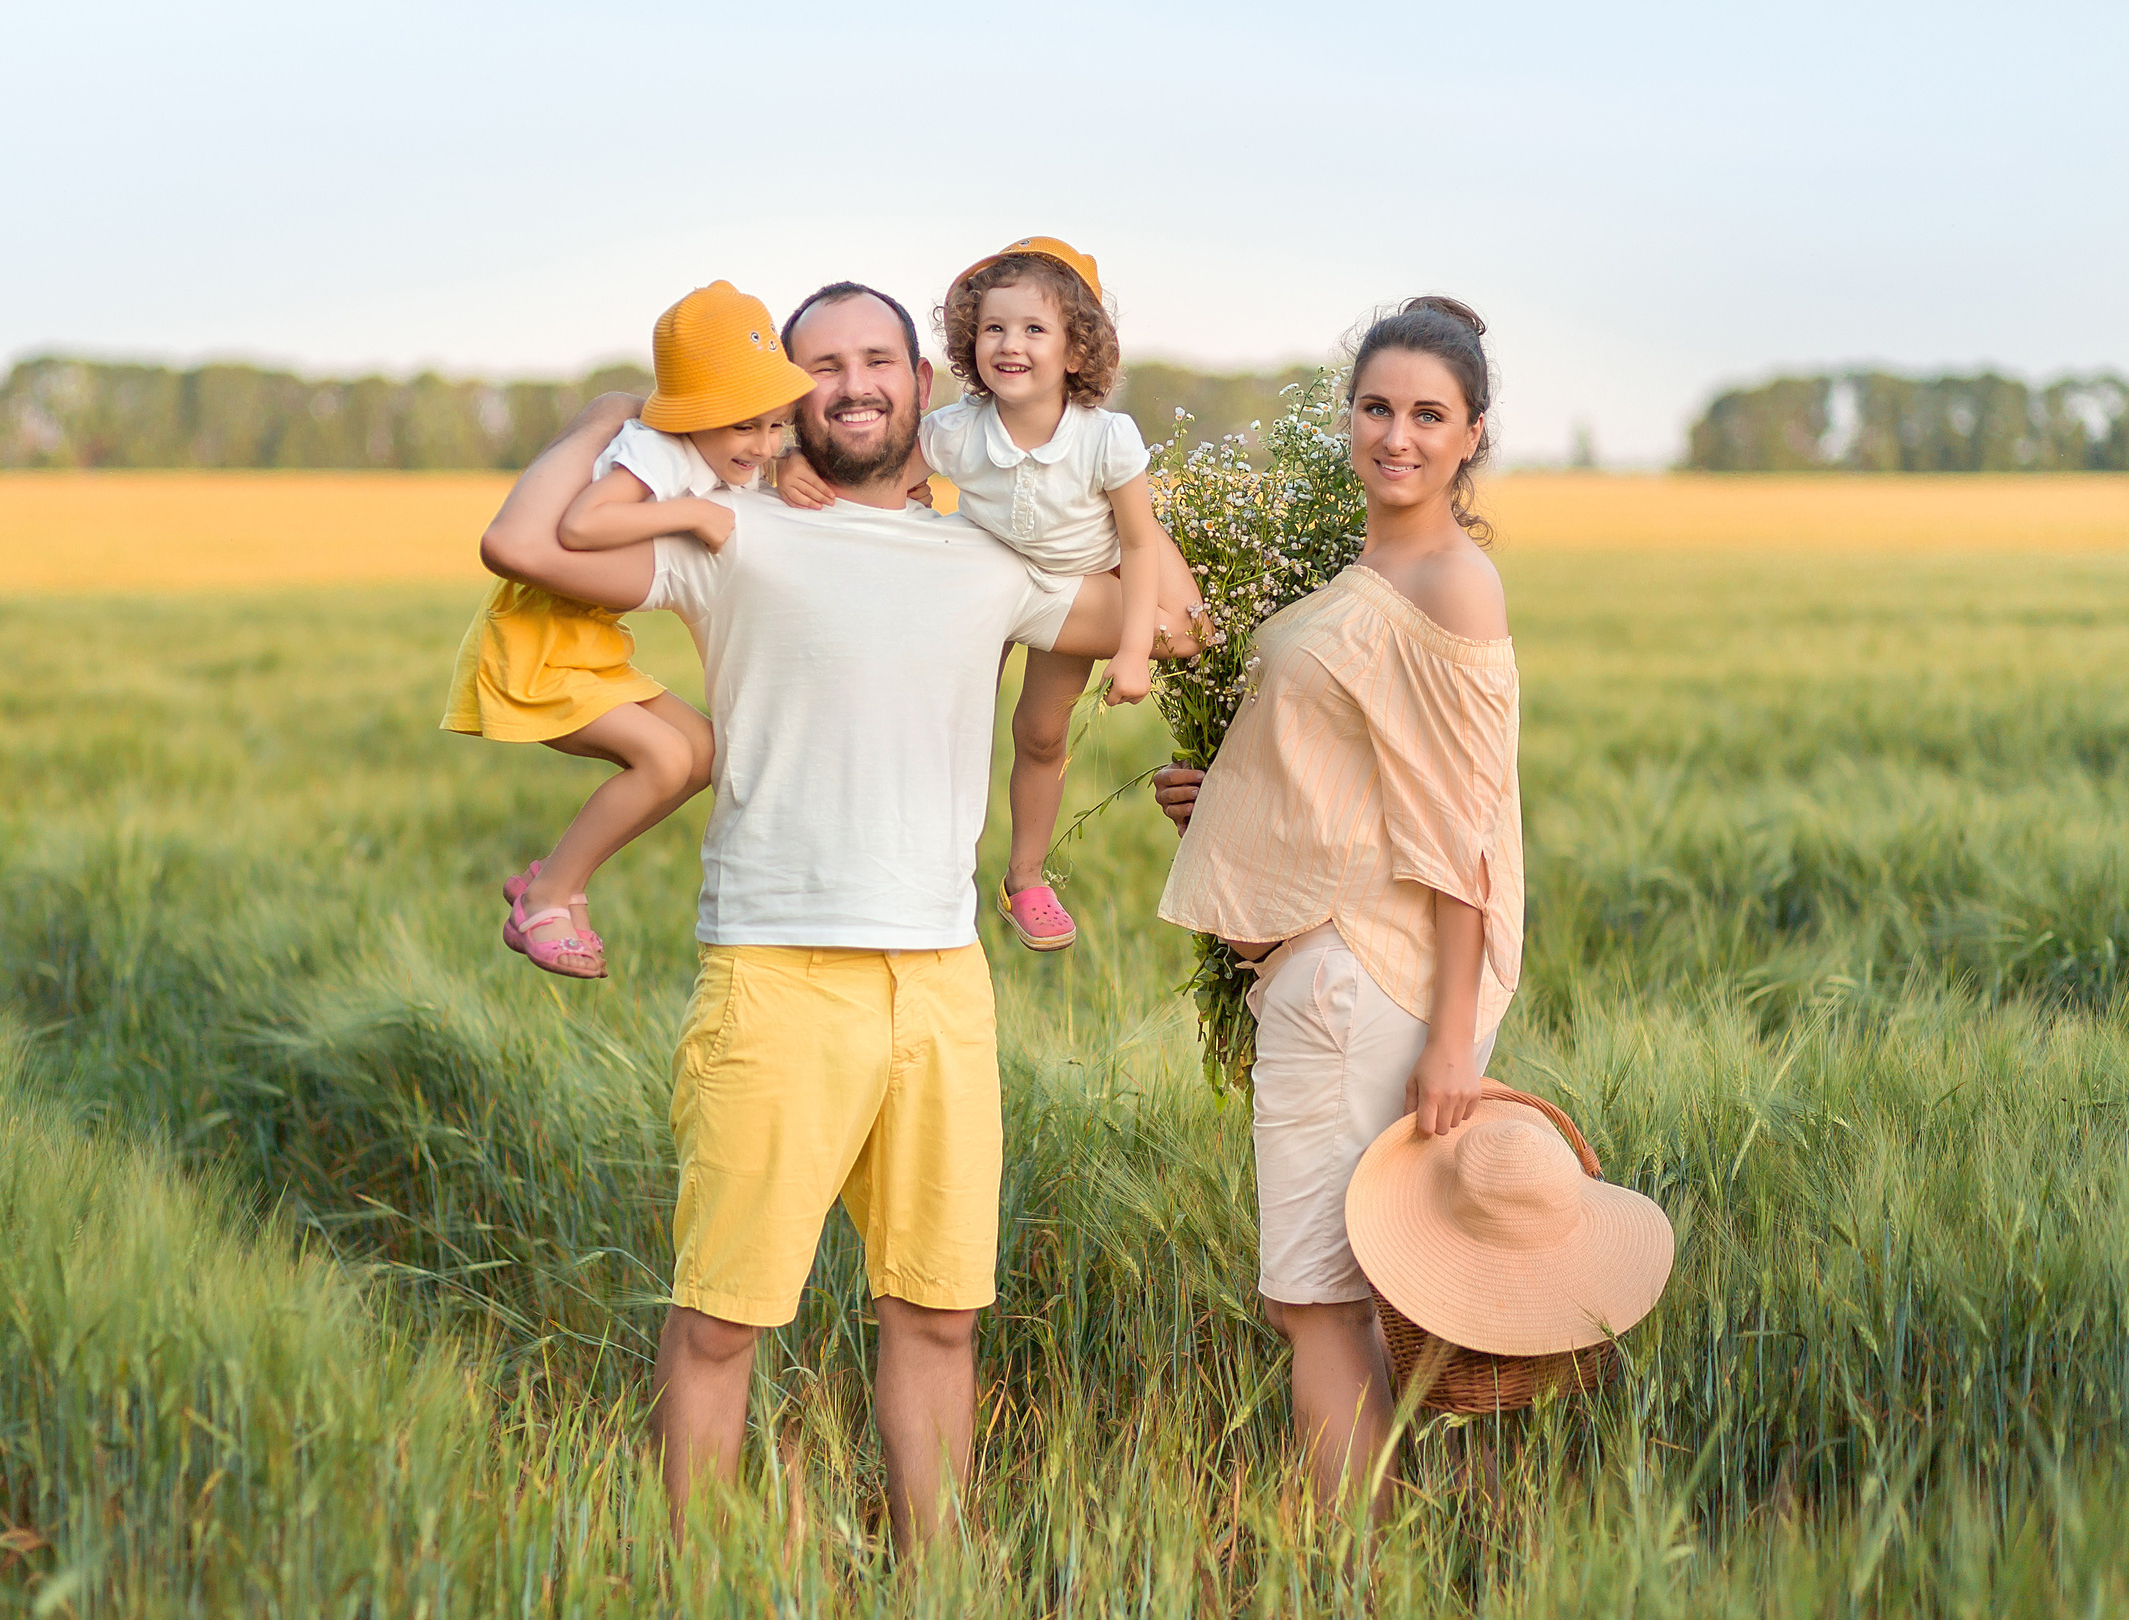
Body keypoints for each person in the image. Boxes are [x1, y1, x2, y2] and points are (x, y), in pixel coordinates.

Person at [479, 279, 1175, 1551]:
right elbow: (524, 546)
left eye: (877, 359)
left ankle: (939, 1601)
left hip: (942, 984)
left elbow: (1169, 618)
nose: (853, 384)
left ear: (923, 382)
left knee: (939, 1315)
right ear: (783, 395)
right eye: (821, 367)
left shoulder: (990, 560)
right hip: (775, 974)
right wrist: (610, 417)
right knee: (721, 1318)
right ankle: (704, 1603)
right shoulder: (729, 530)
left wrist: (1108, 486)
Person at [1151, 297, 1524, 1520]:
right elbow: (1349, 779)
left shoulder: (1451, 582)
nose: (1396, 436)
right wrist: (1219, 800)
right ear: (1345, 416)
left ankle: (1343, 1584)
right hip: (1336, 973)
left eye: (1428, 415)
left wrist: (1453, 1040)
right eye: (1375, 408)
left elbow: (1462, 830)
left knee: (1315, 1299)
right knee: (1342, 1295)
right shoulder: (1368, 572)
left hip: (1367, 977)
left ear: (1471, 435)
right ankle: (1374, 1571)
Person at [777, 238, 1203, 954]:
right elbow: (878, 476)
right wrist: (787, 462)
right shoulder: (955, 430)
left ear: (1076, 350)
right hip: (984, 579)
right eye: (994, 328)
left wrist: (1133, 652)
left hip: (1073, 583)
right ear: (970, 343)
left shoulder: (1106, 439)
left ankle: (1025, 877)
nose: (1011, 344)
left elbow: (1137, 544)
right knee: (947, 719)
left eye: (1035, 329)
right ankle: (917, 864)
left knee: (1041, 734)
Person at [442, 281, 809, 978]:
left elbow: (752, 468)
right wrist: (689, 514)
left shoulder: (715, 452)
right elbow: (583, 524)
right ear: (694, 416)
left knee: (703, 751)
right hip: (537, 644)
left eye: (775, 426)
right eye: (745, 426)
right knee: (666, 760)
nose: (763, 444)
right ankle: (547, 896)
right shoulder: (659, 452)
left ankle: (556, 877)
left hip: (586, 642)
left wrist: (780, 467)